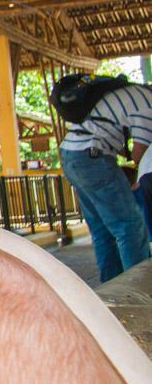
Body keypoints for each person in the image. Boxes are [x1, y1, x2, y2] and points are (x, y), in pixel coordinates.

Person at [59, 83, 152, 282]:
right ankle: (139, 290)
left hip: (71, 154)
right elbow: (139, 153)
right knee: (131, 227)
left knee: (103, 232)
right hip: (93, 156)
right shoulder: (147, 102)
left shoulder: (132, 94)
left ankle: (112, 291)